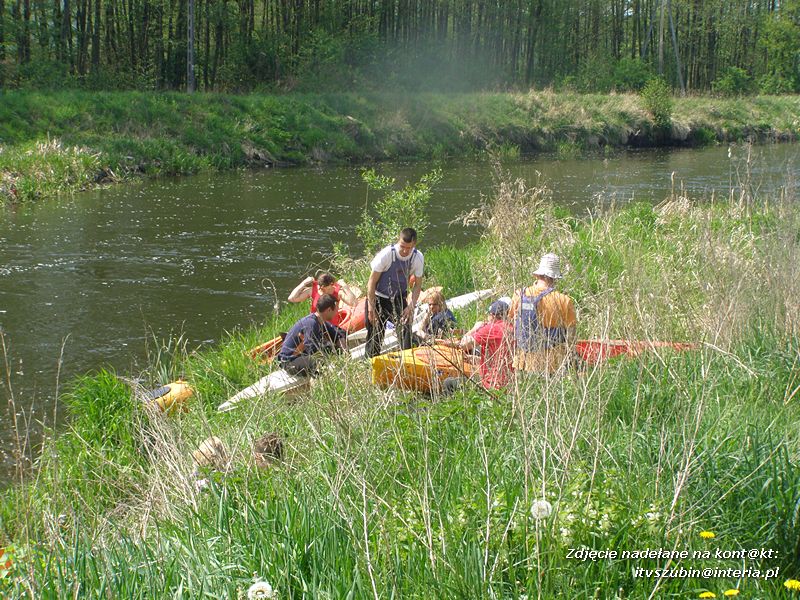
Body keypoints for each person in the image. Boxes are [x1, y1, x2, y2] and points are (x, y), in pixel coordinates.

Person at [509, 253, 577, 375]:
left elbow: (512, 322)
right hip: (552, 363)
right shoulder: (564, 300)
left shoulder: (519, 294)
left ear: (537, 275)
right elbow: (571, 335)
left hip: (522, 361)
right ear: (555, 278)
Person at [365, 227, 424, 358]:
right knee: (375, 335)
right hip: (378, 297)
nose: (405, 251)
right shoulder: (387, 254)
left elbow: (418, 285)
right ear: (398, 240)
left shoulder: (417, 257)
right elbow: (371, 282)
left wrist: (411, 306)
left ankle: (407, 360)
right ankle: (370, 362)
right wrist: (371, 308)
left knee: (405, 330)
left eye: (409, 248)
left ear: (414, 245)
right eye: (402, 246)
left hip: (398, 298)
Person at [441, 299, 514, 394]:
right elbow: (499, 358)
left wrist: (475, 328)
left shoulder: (491, 328)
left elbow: (464, 345)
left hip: (491, 384)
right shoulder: (511, 328)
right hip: (508, 383)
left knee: (448, 382)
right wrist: (476, 359)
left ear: (492, 316)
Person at [277, 294, 345, 375]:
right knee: (320, 361)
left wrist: (343, 349)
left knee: (327, 352)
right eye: (336, 309)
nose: (337, 312)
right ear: (329, 310)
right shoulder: (311, 324)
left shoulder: (321, 321)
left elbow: (337, 333)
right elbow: (311, 349)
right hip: (289, 361)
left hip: (302, 357)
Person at [288, 272, 357, 328]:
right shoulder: (313, 290)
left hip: (331, 327)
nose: (321, 291)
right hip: (314, 325)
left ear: (331, 284)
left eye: (325, 289)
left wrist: (345, 287)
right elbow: (292, 298)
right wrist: (304, 283)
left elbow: (354, 303)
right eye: (320, 288)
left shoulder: (338, 292)